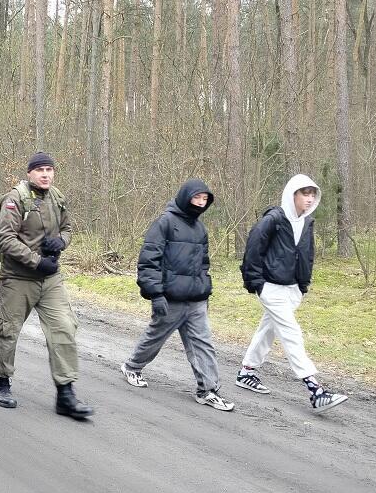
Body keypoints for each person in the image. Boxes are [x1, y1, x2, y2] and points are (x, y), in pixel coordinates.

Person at [0, 152, 93, 419]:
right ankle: (1, 383)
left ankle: (65, 394)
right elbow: (5, 239)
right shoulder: (15, 199)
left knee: (64, 327)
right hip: (19, 278)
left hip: (50, 278)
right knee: (9, 330)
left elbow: (68, 228)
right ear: (29, 173)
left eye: (49, 169)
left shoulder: (57, 197)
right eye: (40, 170)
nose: (45, 174)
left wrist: (62, 242)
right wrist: (36, 261)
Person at [236, 174, 348, 413]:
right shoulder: (274, 219)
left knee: (268, 329)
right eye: (304, 194)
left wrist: (302, 286)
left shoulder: (306, 223)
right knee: (291, 333)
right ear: (292, 194)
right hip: (270, 287)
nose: (309, 199)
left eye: (312, 194)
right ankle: (315, 390)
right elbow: (253, 248)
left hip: (292, 289)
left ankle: (246, 371)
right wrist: (256, 283)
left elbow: (308, 255)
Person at [120, 179, 234, 411]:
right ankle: (132, 366)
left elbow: (203, 264)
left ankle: (208, 390)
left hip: (195, 299)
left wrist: (205, 289)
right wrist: (155, 294)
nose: (200, 203)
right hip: (170, 298)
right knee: (155, 337)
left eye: (204, 199)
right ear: (185, 197)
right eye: (196, 198)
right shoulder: (165, 223)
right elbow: (148, 261)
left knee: (203, 344)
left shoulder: (201, 229)